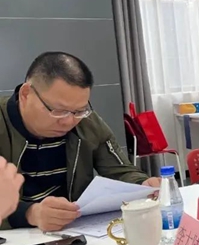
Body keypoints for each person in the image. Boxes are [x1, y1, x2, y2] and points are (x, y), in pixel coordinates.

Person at [0, 52, 160, 232]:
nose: (69, 121)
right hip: (15, 238)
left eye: (79, 111)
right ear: (26, 94)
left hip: (74, 231)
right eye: (59, 111)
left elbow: (120, 170)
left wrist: (142, 185)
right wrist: (30, 213)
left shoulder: (87, 123)